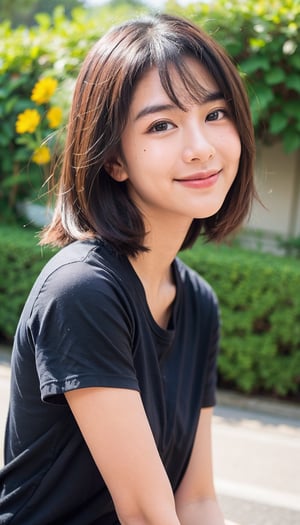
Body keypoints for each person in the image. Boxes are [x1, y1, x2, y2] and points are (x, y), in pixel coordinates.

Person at [0, 12, 255, 525]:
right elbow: (146, 513)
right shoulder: (82, 291)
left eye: (215, 113)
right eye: (161, 124)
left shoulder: (197, 302)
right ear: (114, 159)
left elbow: (197, 499)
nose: (200, 147)